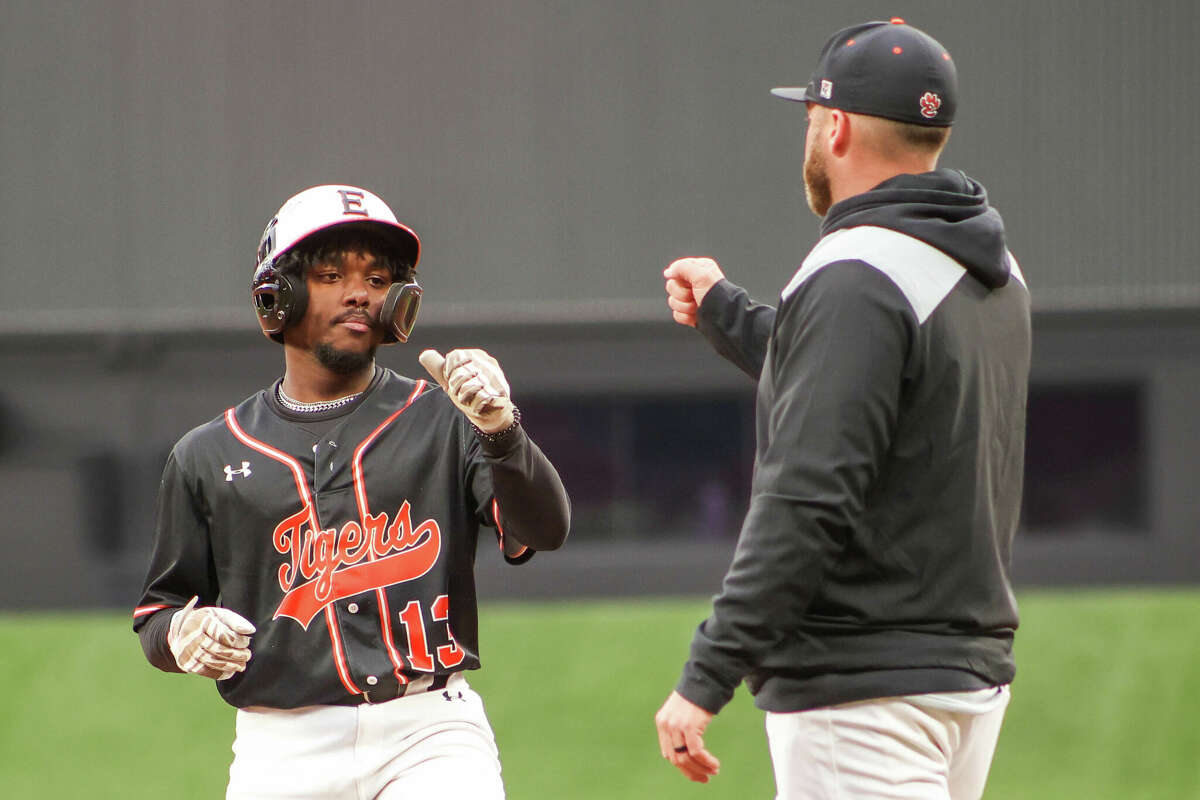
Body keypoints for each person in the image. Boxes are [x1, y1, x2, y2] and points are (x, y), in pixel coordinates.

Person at [654, 19, 1030, 800]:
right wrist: (734, 316)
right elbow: (868, 391)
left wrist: (707, 672)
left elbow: (807, 499)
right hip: (964, 678)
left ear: (839, 126)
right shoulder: (986, 264)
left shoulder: (856, 273)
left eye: (810, 116)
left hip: (862, 692)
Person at [132, 184, 570, 799]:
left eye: (378, 276)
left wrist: (502, 431)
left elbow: (545, 530)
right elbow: (157, 614)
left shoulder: (444, 417)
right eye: (332, 273)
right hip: (280, 748)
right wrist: (184, 633)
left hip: (431, 732)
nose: (360, 291)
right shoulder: (207, 454)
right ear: (275, 295)